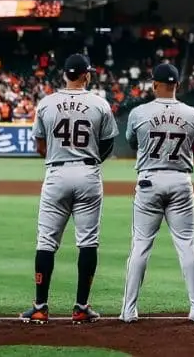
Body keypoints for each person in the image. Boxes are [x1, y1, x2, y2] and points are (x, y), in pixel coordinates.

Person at [19, 53, 116, 325]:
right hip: (88, 172)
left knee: (46, 242)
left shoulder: (47, 103)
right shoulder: (99, 104)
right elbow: (107, 144)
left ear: (64, 74)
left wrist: (58, 156)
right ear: (86, 75)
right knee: (88, 241)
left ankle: (40, 306)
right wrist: (91, 157)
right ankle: (81, 307)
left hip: (57, 171)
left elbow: (40, 145)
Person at [119, 63, 194, 323]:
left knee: (141, 246)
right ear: (177, 85)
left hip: (149, 180)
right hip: (181, 180)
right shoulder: (192, 114)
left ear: (155, 84)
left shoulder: (139, 112)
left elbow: (134, 142)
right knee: (187, 246)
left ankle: (129, 310)